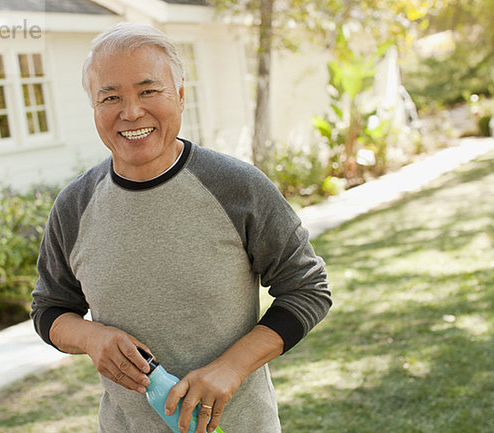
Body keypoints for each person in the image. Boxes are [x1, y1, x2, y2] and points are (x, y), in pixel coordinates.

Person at [31, 22, 331, 433]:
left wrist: (232, 367)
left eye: (149, 91)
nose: (131, 111)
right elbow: (50, 309)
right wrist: (90, 337)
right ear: (94, 108)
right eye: (110, 97)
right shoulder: (73, 206)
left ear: (181, 95)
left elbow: (307, 288)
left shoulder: (238, 187)